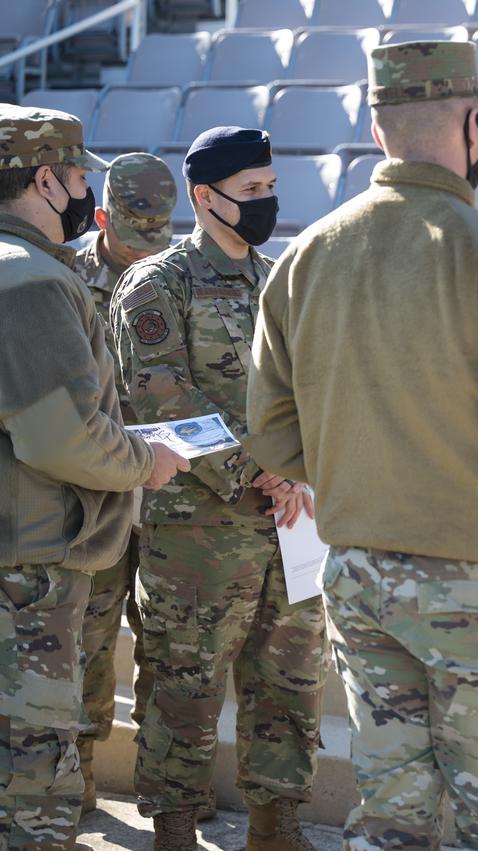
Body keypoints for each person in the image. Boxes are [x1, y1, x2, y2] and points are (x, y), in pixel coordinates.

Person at [245, 41, 478, 850]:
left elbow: (272, 435)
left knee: (392, 819)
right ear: (474, 125)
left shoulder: (304, 258)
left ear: (378, 130)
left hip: (360, 578)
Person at [110, 127, 327, 851]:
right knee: (184, 683)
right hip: (198, 533)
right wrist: (260, 468)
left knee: (291, 679)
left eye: (271, 186)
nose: (266, 200)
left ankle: (277, 823)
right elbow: (160, 394)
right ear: (205, 197)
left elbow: (315, 388)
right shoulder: (159, 283)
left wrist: (299, 469)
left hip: (291, 523)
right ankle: (176, 826)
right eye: (250, 190)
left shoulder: (281, 280)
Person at [0, 105, 187, 848]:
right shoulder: (32, 281)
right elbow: (62, 439)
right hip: (28, 571)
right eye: (78, 175)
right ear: (46, 180)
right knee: (33, 789)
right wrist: (147, 459)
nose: (84, 189)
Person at [71, 150, 177, 815]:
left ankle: (166, 791)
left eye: (157, 235)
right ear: (103, 219)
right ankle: (77, 779)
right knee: (88, 640)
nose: (146, 249)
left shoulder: (177, 275)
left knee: (167, 646)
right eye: (134, 236)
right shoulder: (65, 279)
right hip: (97, 492)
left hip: (169, 493)